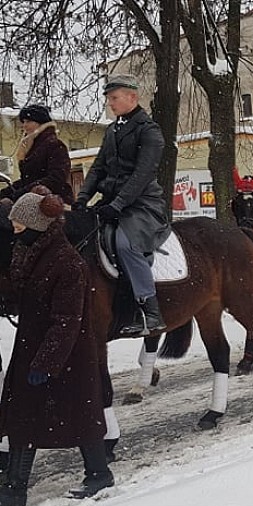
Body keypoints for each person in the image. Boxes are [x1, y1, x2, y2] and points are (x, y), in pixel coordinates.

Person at [0, 191, 113, 506]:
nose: (15, 232)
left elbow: (67, 320)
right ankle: (96, 472)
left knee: (71, 414)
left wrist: (45, 363)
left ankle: (16, 489)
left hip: (65, 355)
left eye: (19, 226)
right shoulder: (29, 253)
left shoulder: (68, 264)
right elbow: (25, 296)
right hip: (33, 348)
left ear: (37, 225)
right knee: (65, 413)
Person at [73, 74, 171, 336]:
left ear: (132, 97)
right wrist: (82, 197)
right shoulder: (112, 130)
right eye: (108, 99)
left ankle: (151, 312)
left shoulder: (149, 131)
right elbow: (98, 168)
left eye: (114, 98)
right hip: (113, 203)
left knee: (124, 244)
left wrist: (118, 204)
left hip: (142, 204)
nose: (110, 104)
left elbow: (142, 174)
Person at [0, 104, 74, 204]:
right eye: (24, 122)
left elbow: (56, 178)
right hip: (34, 201)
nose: (24, 125)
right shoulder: (31, 147)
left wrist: (22, 193)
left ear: (41, 123)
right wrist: (8, 192)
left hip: (52, 204)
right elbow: (28, 179)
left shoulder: (54, 145)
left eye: (29, 121)